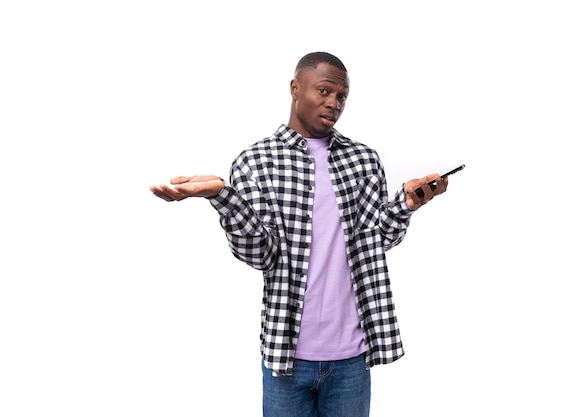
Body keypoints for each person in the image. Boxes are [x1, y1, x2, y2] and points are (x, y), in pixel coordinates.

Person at [150, 51, 449, 417]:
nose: (333, 103)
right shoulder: (256, 161)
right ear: (295, 88)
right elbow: (260, 254)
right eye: (323, 90)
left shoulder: (363, 160)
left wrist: (405, 204)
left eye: (341, 96)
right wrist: (222, 196)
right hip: (288, 356)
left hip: (352, 359)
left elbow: (377, 239)